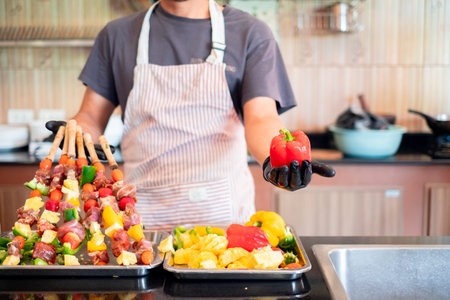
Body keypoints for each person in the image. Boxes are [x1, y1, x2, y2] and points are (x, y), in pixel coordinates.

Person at [47, 0, 335, 231]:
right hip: (141, 227)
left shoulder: (250, 33)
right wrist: (77, 134)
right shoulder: (117, 35)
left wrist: (278, 160)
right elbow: (90, 117)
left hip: (225, 226)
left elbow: (261, 117)